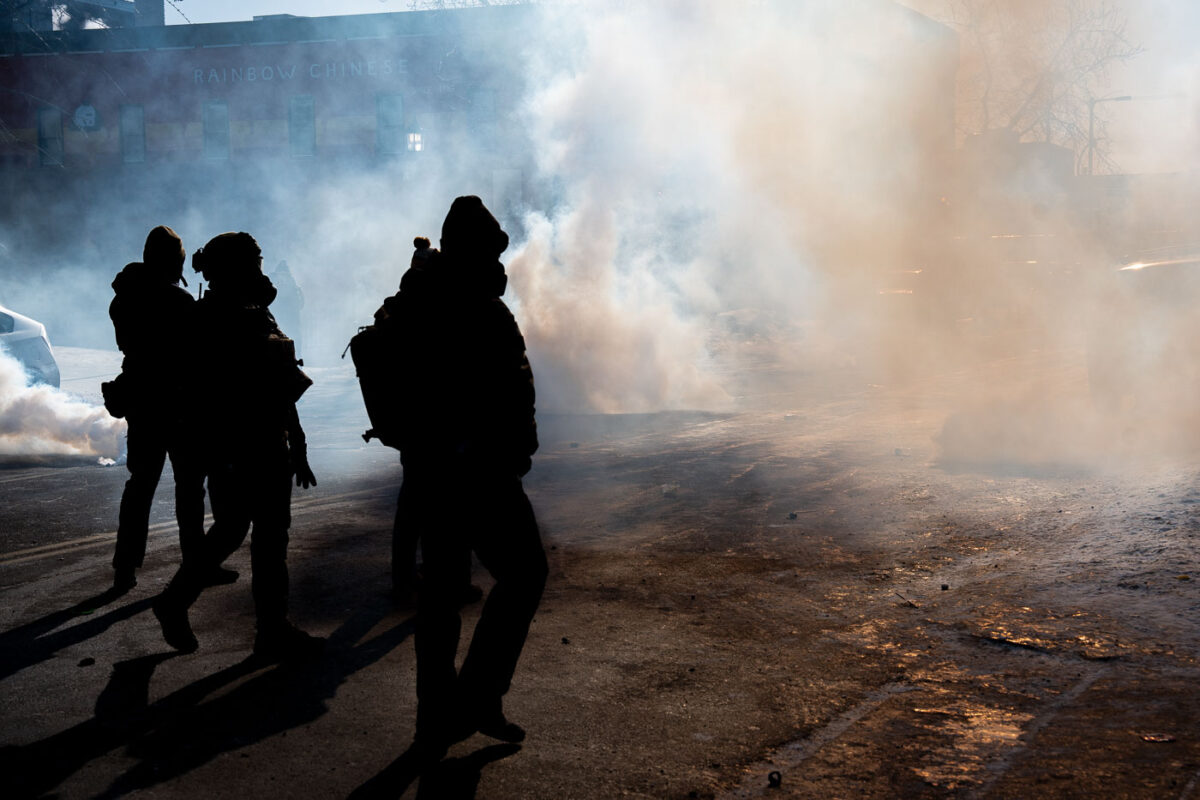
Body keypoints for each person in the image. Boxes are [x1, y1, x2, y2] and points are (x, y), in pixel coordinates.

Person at [390, 196, 547, 755]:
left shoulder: (426, 294)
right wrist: (504, 446)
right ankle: (475, 698)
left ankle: (438, 717)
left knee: (441, 597)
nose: (497, 258)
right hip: (473, 466)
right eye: (490, 245)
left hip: (439, 466)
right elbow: (489, 384)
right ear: (471, 246)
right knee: (524, 575)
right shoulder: (463, 300)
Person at [152, 232, 323, 662]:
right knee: (268, 538)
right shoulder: (244, 319)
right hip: (254, 445)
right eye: (255, 263)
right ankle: (271, 629)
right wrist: (294, 444)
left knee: (231, 530)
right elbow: (280, 388)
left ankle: (178, 602)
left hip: (230, 446)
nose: (261, 272)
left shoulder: (212, 316)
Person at [107, 225, 235, 593]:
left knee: (141, 486)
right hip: (178, 403)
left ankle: (125, 568)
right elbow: (198, 351)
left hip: (142, 401)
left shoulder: (124, 298)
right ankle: (196, 564)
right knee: (189, 487)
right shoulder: (177, 302)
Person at [372, 237, 481, 609]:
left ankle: (403, 582)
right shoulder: (439, 310)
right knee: (452, 508)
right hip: (441, 425)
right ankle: (453, 582)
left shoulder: (392, 312)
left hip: (409, 426)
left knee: (412, 507)